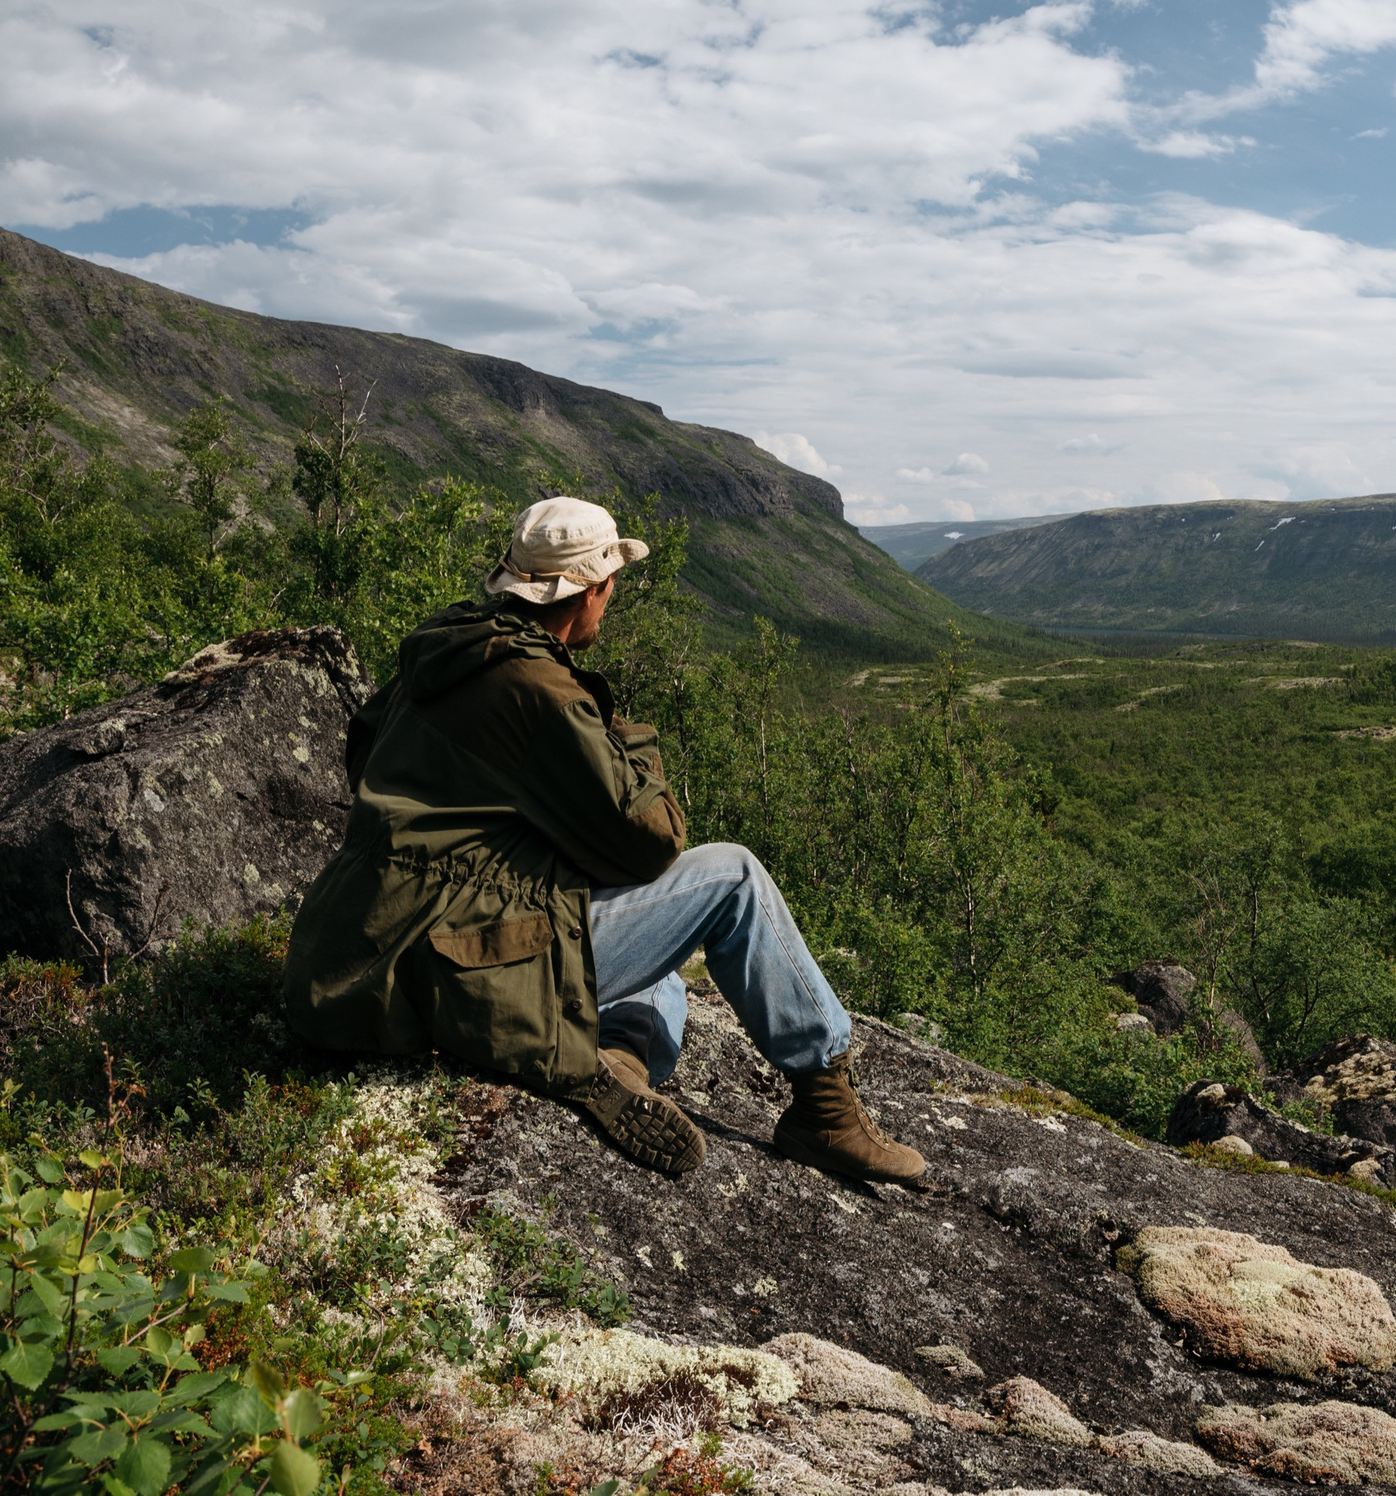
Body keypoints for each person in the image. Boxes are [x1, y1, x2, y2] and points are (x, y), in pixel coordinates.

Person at [281, 496, 923, 1184]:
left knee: (659, 955)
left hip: (366, 944)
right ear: (592, 591)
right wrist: (621, 733)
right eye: (611, 584)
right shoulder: (539, 689)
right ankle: (824, 1110)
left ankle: (619, 1057)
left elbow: (364, 754)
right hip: (459, 963)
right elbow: (655, 840)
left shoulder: (445, 648)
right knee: (733, 878)